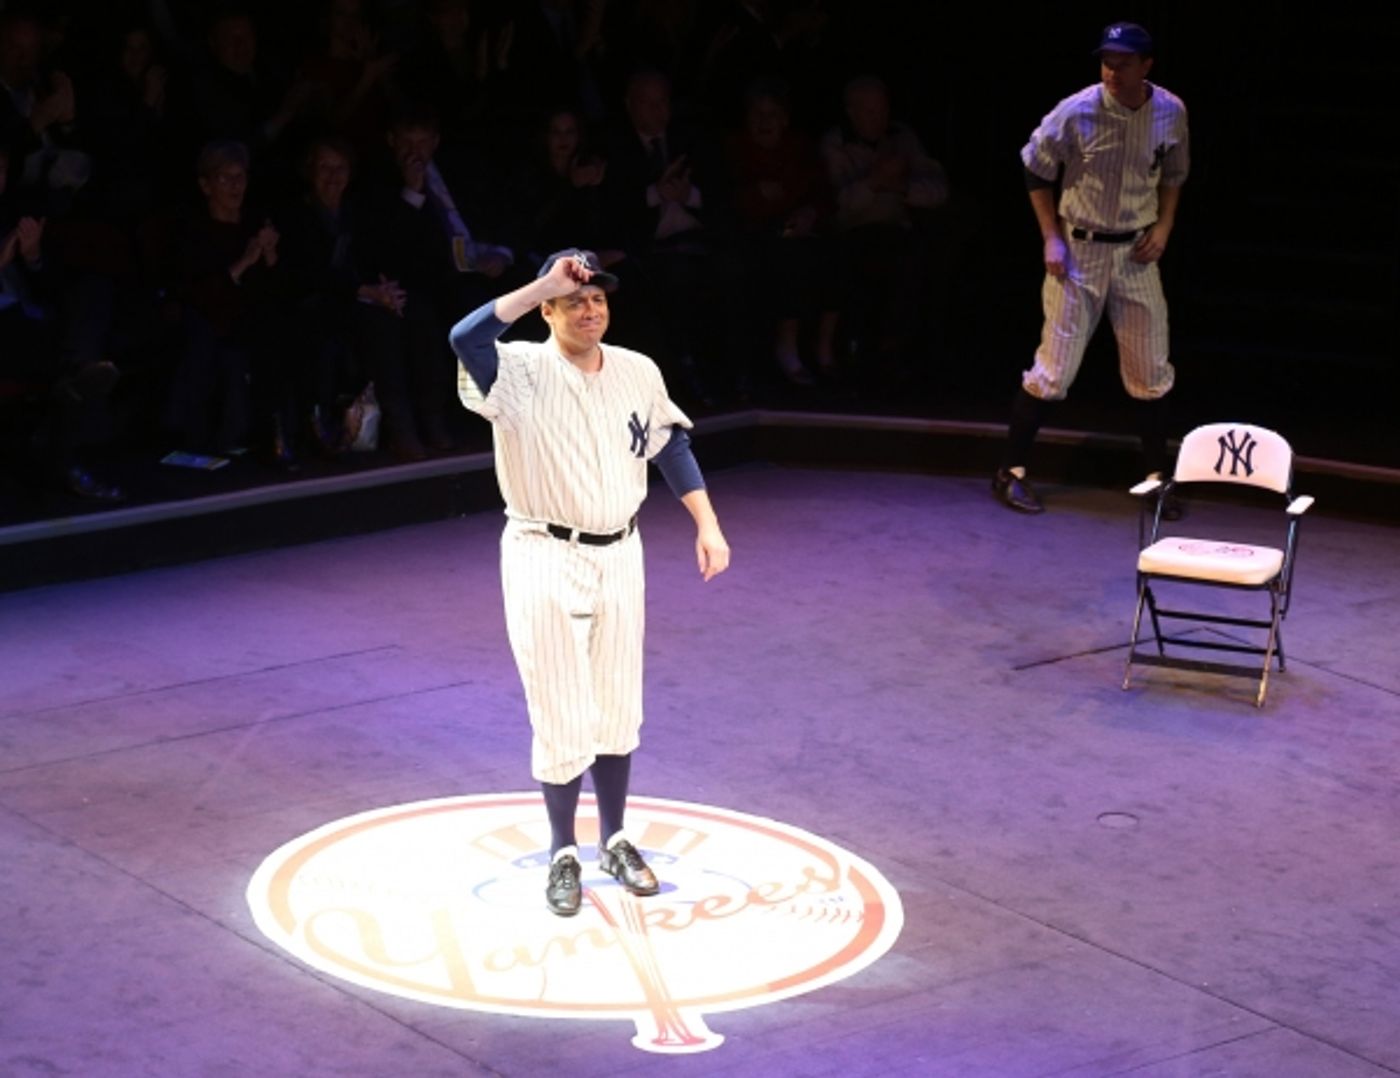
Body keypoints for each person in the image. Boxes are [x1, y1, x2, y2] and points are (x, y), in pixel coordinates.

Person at [449, 247, 730, 917]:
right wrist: (543, 281)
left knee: (615, 701)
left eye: (597, 297)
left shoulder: (637, 369)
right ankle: (561, 851)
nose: (590, 308)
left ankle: (615, 838)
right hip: (543, 549)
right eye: (573, 299)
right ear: (546, 307)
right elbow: (464, 336)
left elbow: (671, 445)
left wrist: (707, 524)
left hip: (620, 551)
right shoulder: (516, 369)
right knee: (560, 704)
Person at [993, 21, 1189, 514]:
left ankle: (1156, 480)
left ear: (1146, 66)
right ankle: (1010, 471)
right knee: (1053, 371)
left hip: (1136, 252)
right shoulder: (1077, 111)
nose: (1112, 71)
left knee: (1150, 370)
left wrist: (1164, 226)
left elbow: (1174, 173)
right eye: (1107, 61)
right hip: (1079, 253)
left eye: (1123, 63)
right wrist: (1050, 238)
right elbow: (1035, 169)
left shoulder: (1170, 112)